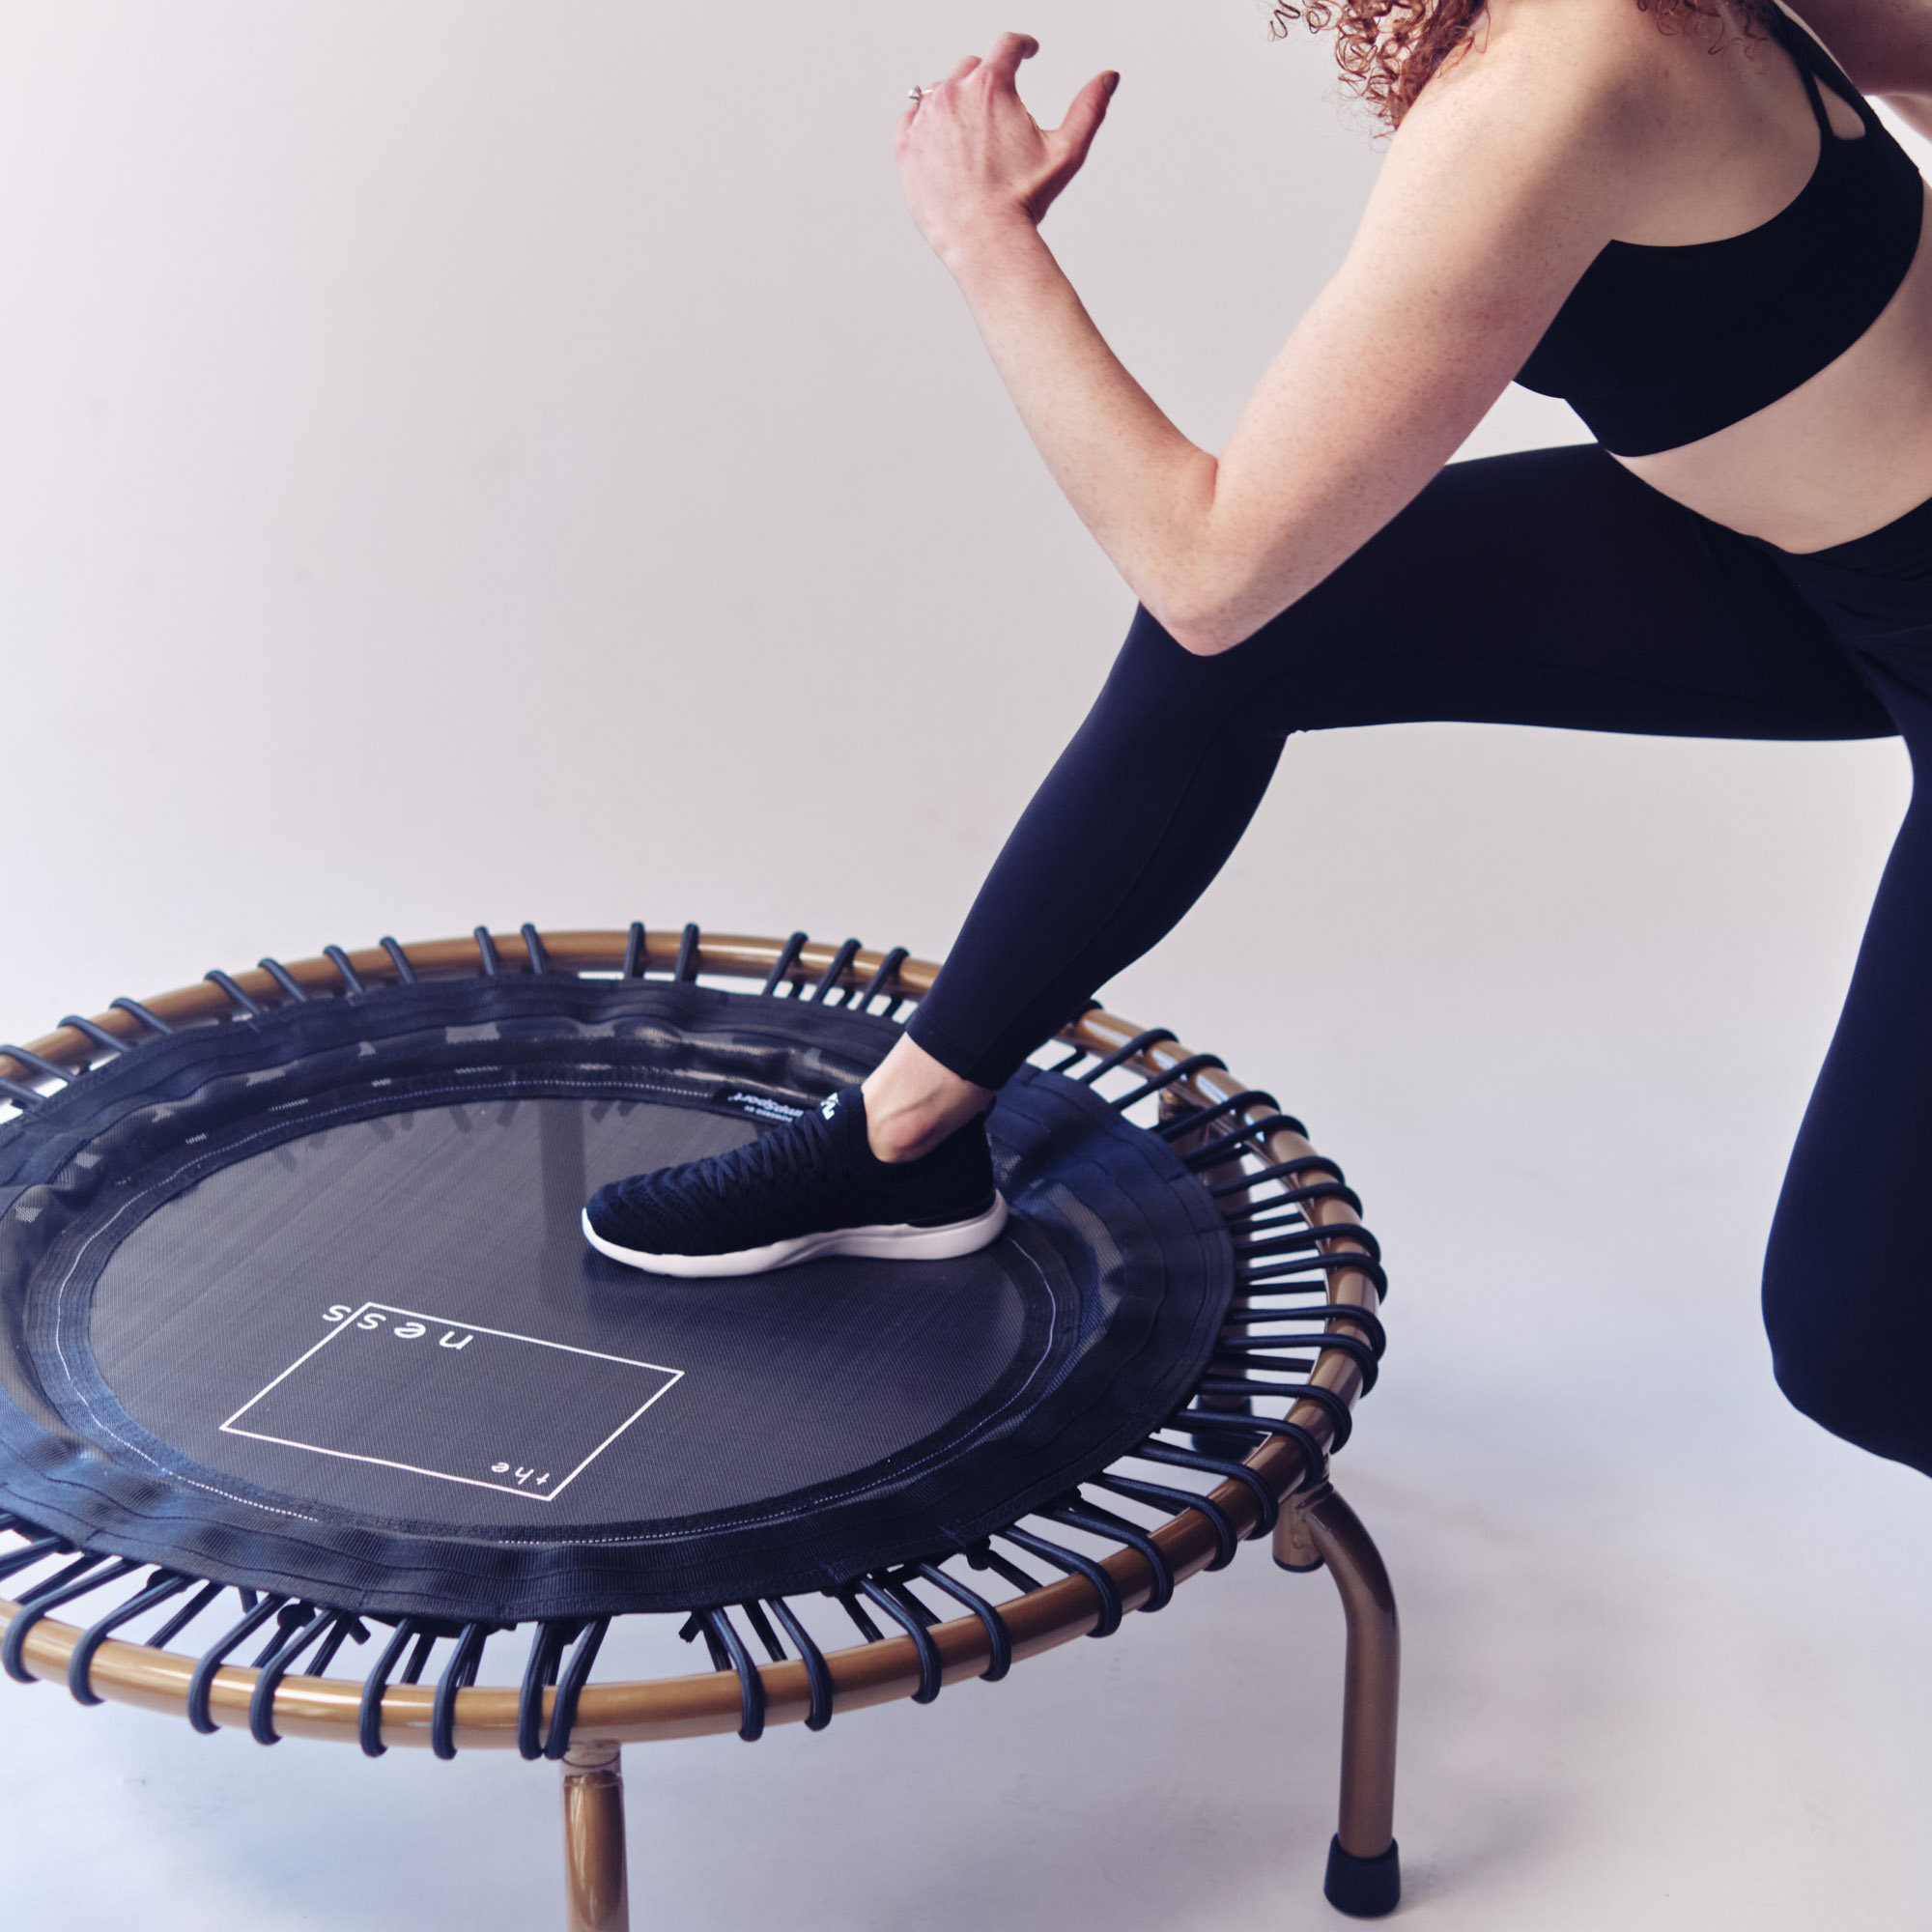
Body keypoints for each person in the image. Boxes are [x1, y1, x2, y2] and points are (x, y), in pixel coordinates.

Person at [584, 0, 1932, 1480]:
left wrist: (987, 239)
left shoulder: (1556, 80)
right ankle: (905, 1140)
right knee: (1288, 623)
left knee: (1857, 1349)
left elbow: (1207, 565)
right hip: (1827, 575)